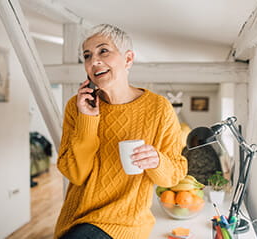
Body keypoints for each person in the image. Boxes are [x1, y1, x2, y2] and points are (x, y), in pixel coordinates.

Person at [54, 24, 188, 239]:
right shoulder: (76, 106)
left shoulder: (159, 108)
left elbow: (175, 175)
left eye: (103, 51)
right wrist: (87, 119)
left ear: (128, 59)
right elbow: (75, 175)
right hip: (79, 221)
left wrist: (157, 161)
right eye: (87, 56)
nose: (93, 61)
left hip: (126, 224)